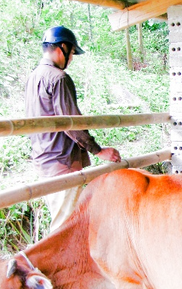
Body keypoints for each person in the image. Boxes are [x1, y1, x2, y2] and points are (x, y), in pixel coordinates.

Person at [26, 26, 121, 231]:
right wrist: (99, 150)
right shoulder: (58, 78)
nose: (71, 60)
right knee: (64, 226)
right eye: (71, 54)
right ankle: (57, 263)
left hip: (44, 160)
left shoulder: (33, 77)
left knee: (62, 218)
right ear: (62, 48)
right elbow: (72, 124)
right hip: (62, 161)